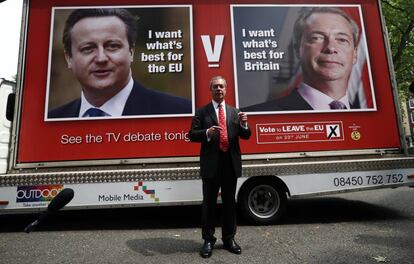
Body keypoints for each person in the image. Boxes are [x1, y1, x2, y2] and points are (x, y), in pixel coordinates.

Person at [48, 8, 191, 119]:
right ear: (69, 58)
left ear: (131, 52)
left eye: (112, 46)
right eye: (88, 49)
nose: (101, 58)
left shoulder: (182, 112)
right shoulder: (54, 120)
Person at [244, 7, 361, 111]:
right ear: (297, 49)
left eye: (342, 40)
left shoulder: (369, 120)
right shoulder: (252, 116)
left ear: (355, 54)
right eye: (317, 38)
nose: (330, 48)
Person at [189, 76, 251, 258]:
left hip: (230, 164)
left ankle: (229, 238)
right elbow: (191, 135)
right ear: (211, 90)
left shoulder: (235, 112)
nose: (219, 89)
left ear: (226, 89)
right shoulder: (202, 112)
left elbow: (246, 135)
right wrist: (206, 133)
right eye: (215, 86)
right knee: (209, 204)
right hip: (211, 165)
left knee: (230, 203)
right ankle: (208, 240)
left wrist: (245, 124)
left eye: (221, 86)